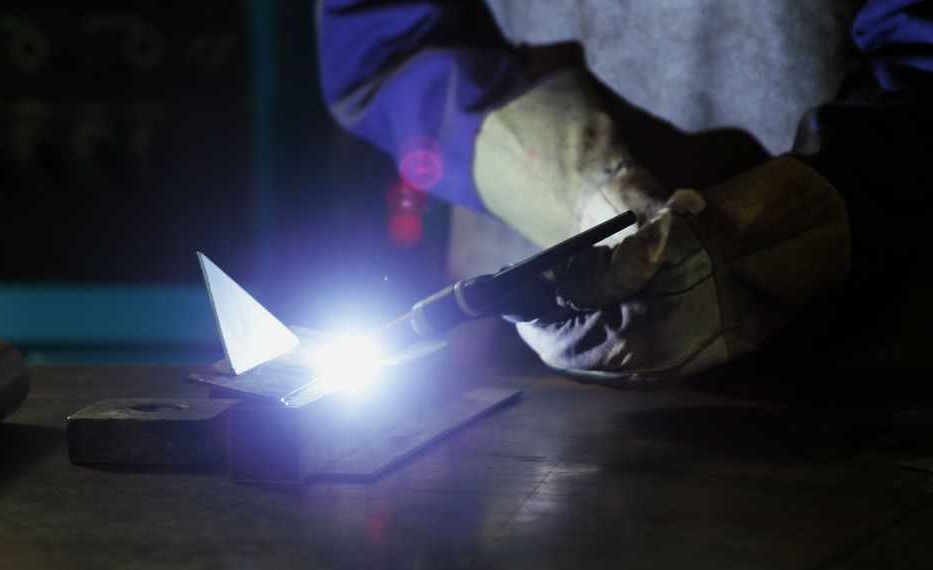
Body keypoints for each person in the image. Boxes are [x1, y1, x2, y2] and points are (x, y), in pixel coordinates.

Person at [317, 0, 933, 387]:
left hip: (854, 369)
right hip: (520, 376)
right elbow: (383, 35)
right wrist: (578, 175)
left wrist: (774, 231)